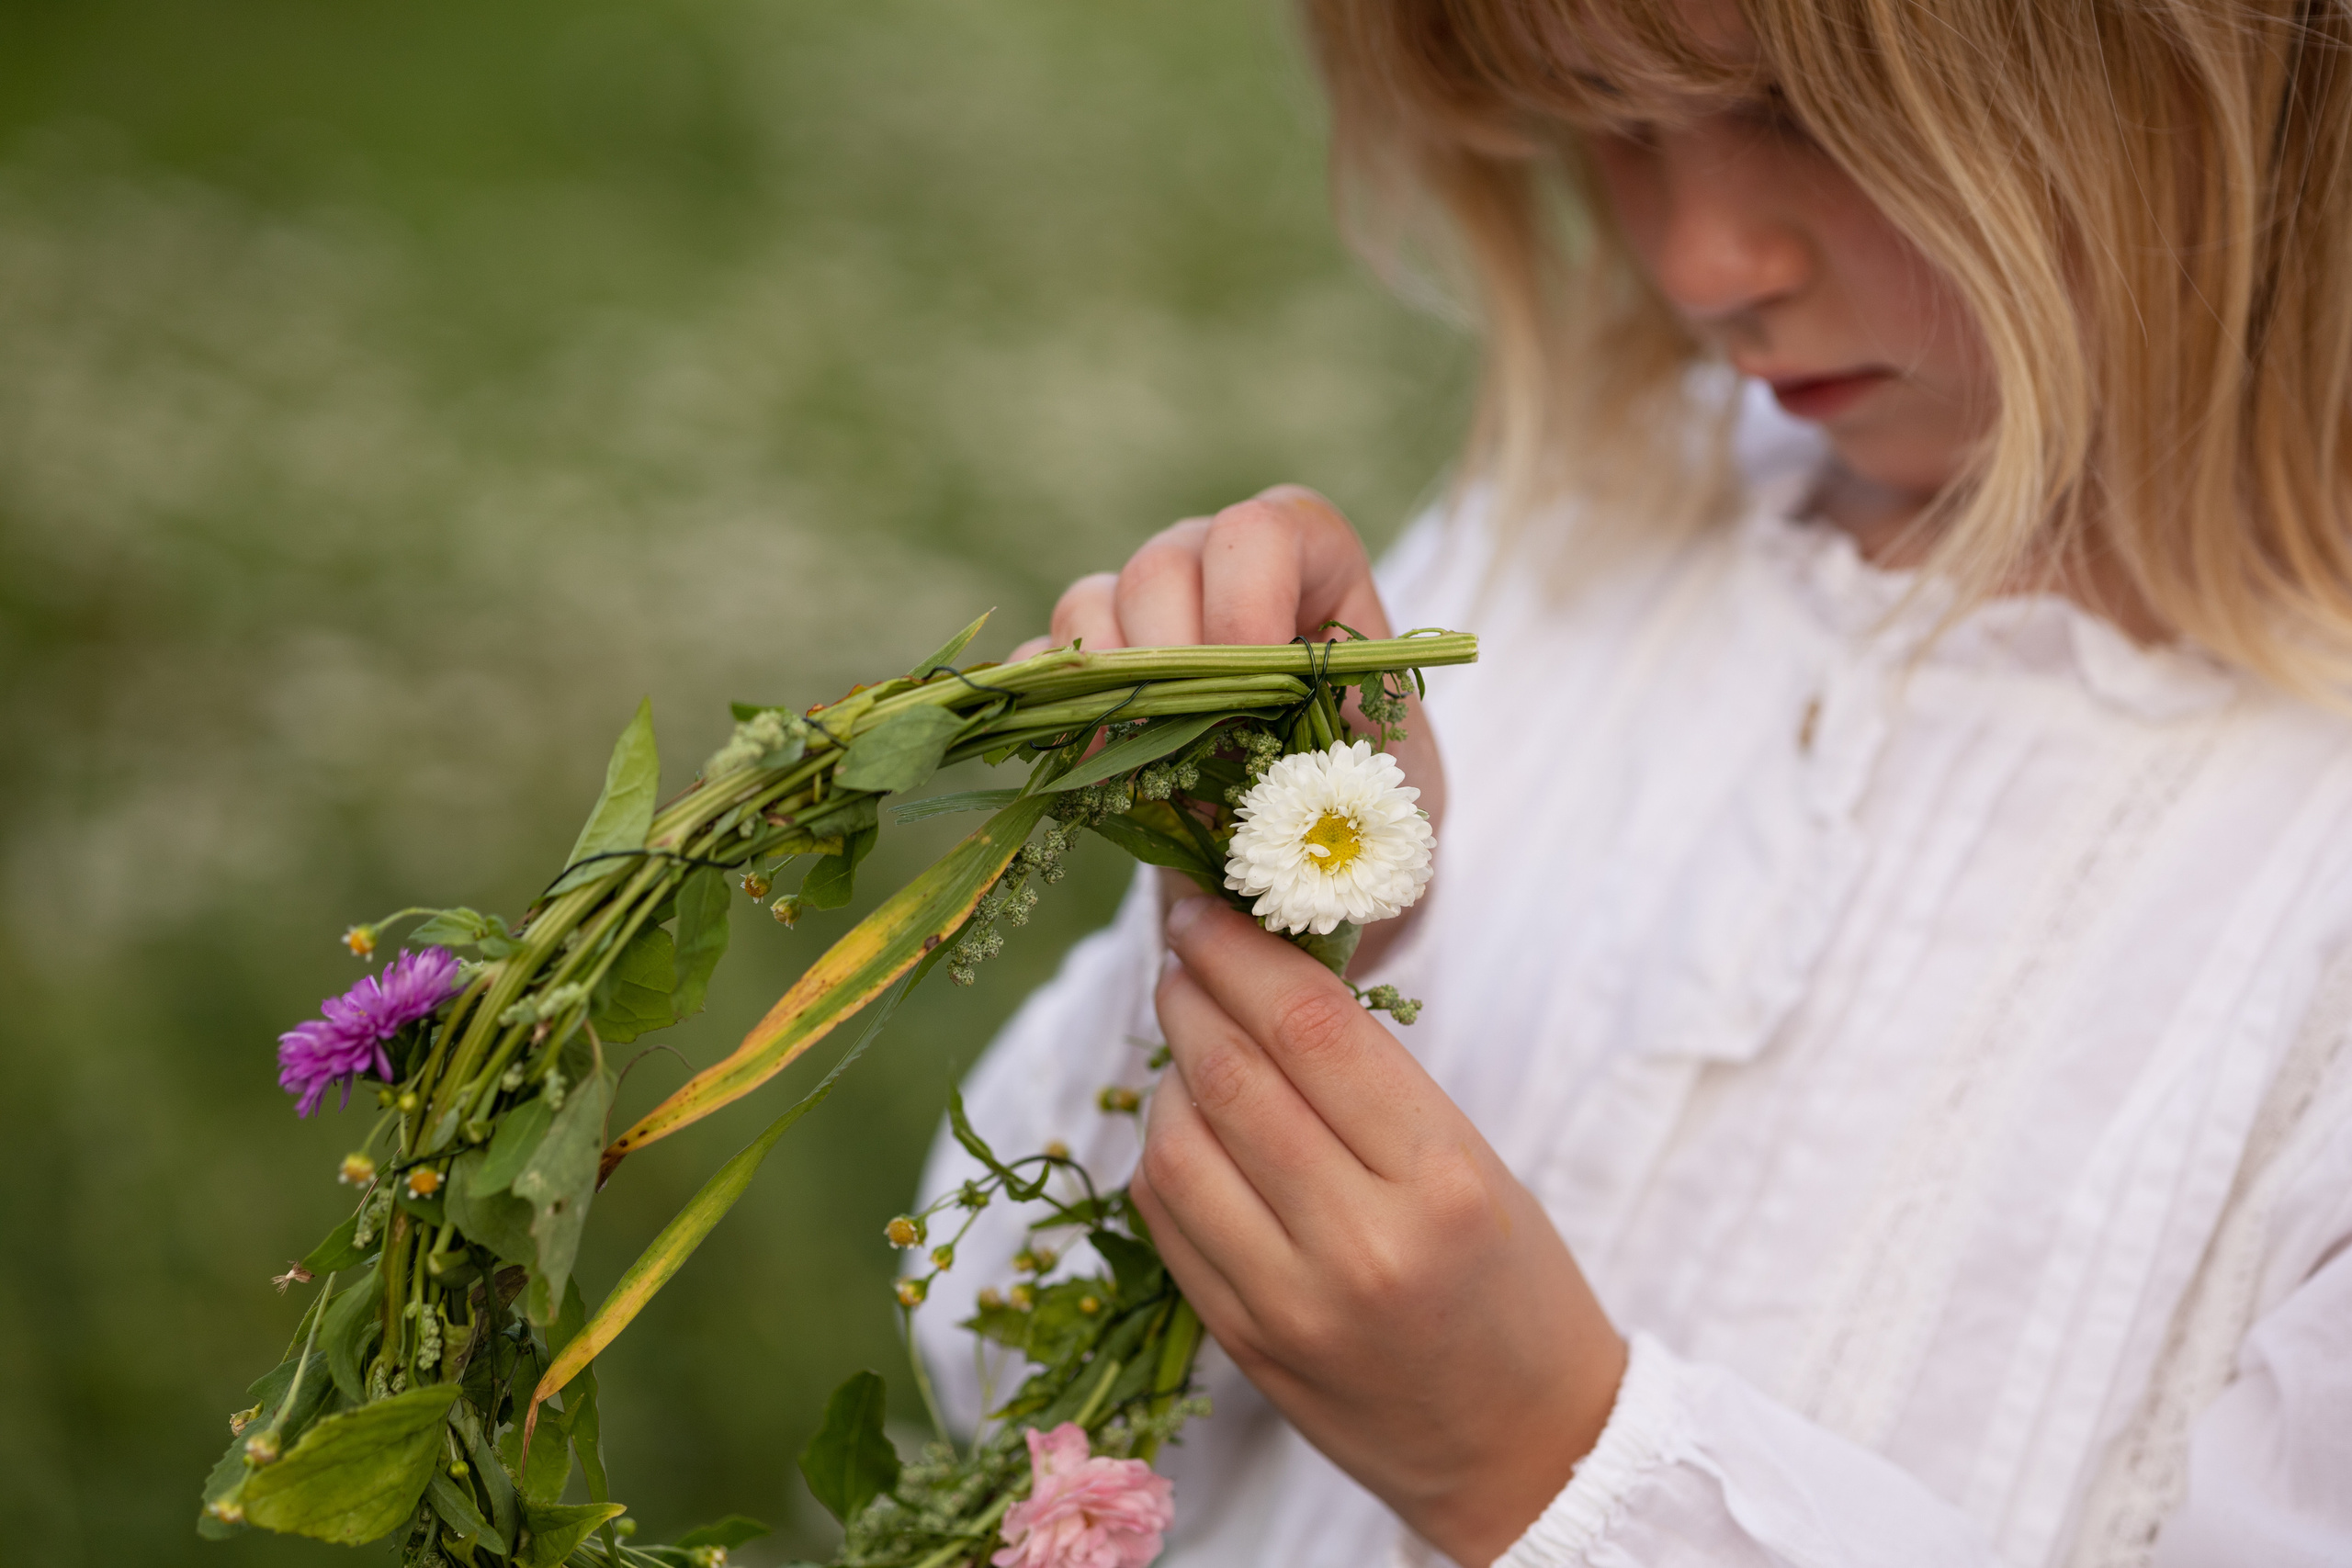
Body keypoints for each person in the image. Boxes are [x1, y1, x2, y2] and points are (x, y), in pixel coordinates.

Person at [913, 1, 2352, 1563]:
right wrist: (1287, 904)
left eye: (1811, 115)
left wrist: (1539, 1469)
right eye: (1612, 123)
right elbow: (992, 1374)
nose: (1701, 266)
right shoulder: (1591, 526)